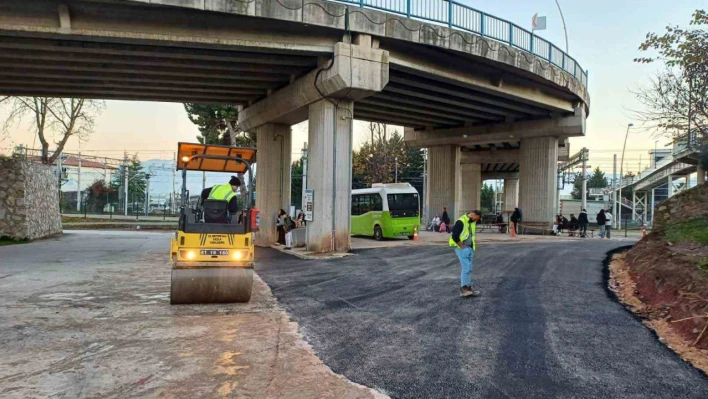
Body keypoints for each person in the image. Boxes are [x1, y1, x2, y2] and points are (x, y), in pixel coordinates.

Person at [450, 210, 482, 297]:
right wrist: (463, 247)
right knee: (466, 268)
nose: (476, 220)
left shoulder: (471, 222)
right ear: (473, 214)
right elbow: (454, 236)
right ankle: (463, 289)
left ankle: (468, 288)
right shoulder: (461, 221)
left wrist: (471, 247)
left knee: (469, 268)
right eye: (476, 218)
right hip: (461, 248)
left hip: (469, 248)